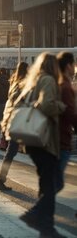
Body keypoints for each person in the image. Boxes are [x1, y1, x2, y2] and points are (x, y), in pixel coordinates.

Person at [15, 54, 65, 237]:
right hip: (44, 138)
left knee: (46, 183)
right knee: (50, 184)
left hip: (32, 139)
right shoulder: (49, 80)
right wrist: (61, 106)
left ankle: (44, 224)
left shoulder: (33, 80)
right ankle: (41, 220)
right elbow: (47, 105)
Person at [0, 62, 28, 191]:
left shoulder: (13, 84)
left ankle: (0, 180)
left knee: (11, 152)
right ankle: (0, 180)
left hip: (13, 122)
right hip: (19, 123)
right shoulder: (22, 85)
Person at [57, 52, 77, 193]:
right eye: (73, 64)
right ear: (68, 66)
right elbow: (70, 114)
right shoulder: (66, 87)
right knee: (56, 183)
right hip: (62, 139)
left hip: (56, 137)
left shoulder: (58, 83)